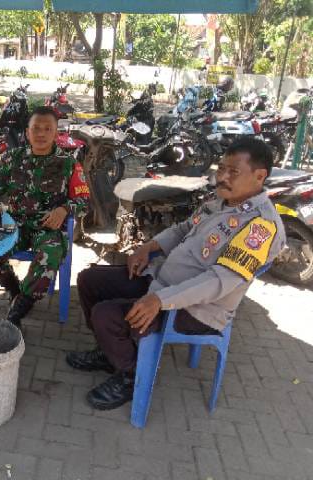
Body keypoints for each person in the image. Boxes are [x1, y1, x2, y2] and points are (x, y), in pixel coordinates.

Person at [67, 137, 286, 411]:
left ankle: (131, 375)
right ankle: (109, 352)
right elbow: (184, 228)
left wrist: (160, 300)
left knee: (107, 315)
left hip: (197, 309)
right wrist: (149, 247)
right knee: (90, 281)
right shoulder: (221, 200)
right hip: (163, 281)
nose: (222, 177)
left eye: (233, 172)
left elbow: (217, 282)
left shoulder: (260, 226)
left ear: (259, 176)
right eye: (221, 168)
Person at [0, 106, 89, 327]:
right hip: (15, 224)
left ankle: (18, 311)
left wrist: (64, 209)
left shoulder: (68, 163)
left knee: (50, 255)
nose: (41, 133)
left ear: (56, 133)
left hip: (48, 228)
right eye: (36, 128)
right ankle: (14, 289)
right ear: (27, 132)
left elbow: (83, 200)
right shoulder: (10, 159)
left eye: (47, 129)